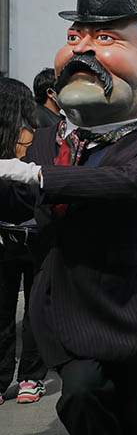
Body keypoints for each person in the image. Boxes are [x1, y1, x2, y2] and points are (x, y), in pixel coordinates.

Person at [0, 0, 137, 435]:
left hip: (125, 307)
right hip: (64, 302)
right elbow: (20, 202)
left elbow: (127, 182)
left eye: (105, 38)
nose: (83, 51)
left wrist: (38, 178)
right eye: (74, 37)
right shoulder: (46, 139)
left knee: (129, 415)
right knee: (79, 394)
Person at [0, 78, 47, 405]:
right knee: (3, 311)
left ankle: (31, 375)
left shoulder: (43, 131)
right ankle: (2, 379)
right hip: (5, 240)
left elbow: (43, 177)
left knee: (36, 310)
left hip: (38, 236)